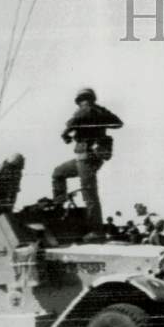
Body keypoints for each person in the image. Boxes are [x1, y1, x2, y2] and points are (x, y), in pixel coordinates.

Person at [51, 87, 123, 231]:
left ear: (80, 100)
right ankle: (59, 204)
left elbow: (72, 122)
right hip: (88, 158)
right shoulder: (100, 111)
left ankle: (96, 231)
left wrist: (66, 134)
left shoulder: (84, 110)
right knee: (58, 173)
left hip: (87, 157)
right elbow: (118, 123)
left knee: (89, 193)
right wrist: (101, 119)